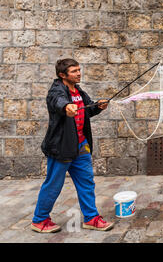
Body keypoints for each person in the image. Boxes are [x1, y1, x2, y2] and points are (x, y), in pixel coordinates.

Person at [31, 58, 114, 233]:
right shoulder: (56, 90)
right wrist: (67, 106)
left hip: (81, 146)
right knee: (53, 185)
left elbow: (88, 110)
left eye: (79, 70)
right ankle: (39, 220)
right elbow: (58, 102)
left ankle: (91, 218)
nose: (79, 73)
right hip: (62, 147)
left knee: (87, 183)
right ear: (62, 75)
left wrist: (99, 106)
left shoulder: (79, 91)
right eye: (74, 71)